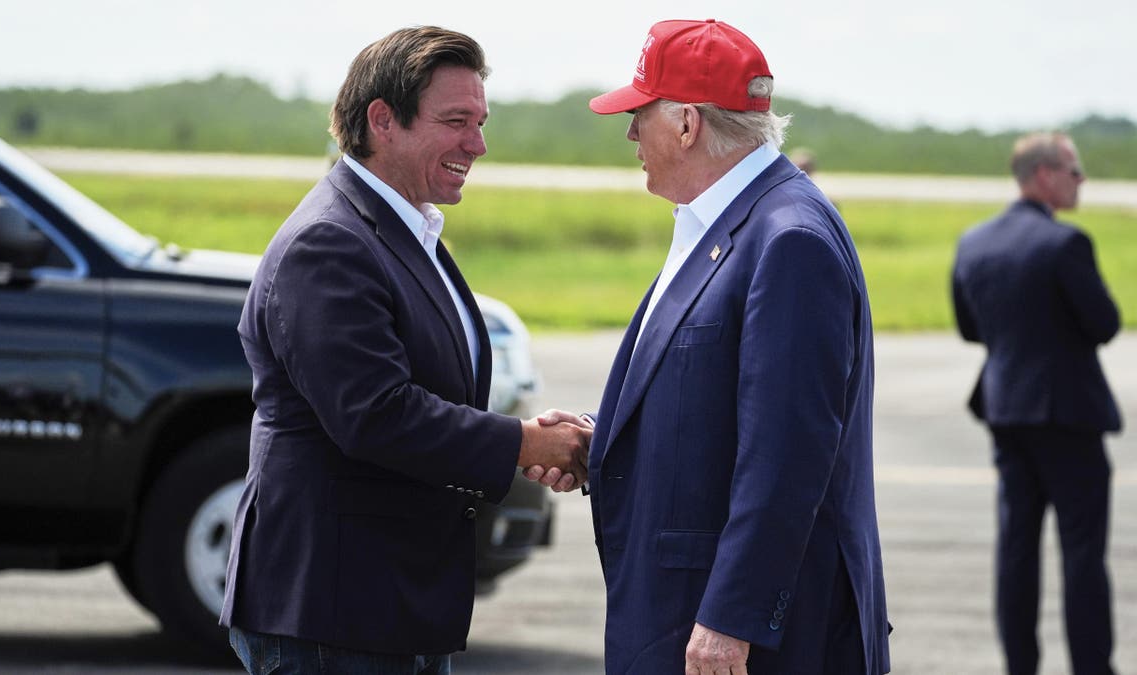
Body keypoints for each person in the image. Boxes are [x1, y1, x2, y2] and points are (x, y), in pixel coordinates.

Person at [219, 25, 589, 675]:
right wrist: (525, 443)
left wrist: (525, 437)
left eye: (480, 121)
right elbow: (376, 414)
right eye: (455, 121)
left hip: (385, 603)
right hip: (333, 610)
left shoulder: (401, 227)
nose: (476, 144)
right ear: (382, 120)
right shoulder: (328, 244)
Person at [564, 17, 891, 674]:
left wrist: (732, 616)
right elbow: (716, 400)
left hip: (742, 644)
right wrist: (599, 436)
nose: (631, 133)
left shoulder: (788, 238)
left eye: (640, 115)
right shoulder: (728, 223)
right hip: (684, 619)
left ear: (687, 124)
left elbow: (788, 449)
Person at [952, 131, 1120, 675]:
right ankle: (1092, 666)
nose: (1081, 180)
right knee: (1082, 553)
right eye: (1074, 170)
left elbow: (970, 328)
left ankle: (1020, 664)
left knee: (1017, 548)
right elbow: (1103, 323)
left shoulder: (974, 242)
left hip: (1007, 411)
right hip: (1068, 414)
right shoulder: (1065, 244)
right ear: (1044, 175)